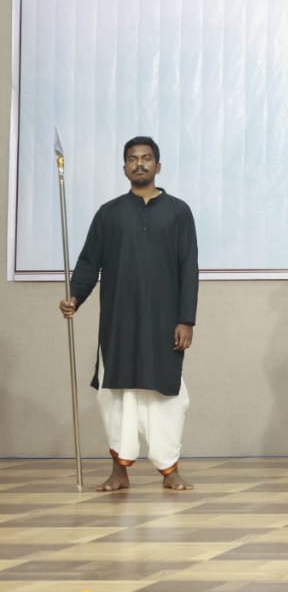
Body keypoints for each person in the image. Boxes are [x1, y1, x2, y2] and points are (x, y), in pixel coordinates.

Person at [57, 136, 198, 491]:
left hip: (164, 321)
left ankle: (170, 469)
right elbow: (89, 262)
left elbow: (189, 268)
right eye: (133, 159)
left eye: (146, 158)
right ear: (124, 168)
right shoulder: (109, 214)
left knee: (167, 396)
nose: (139, 164)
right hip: (119, 322)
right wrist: (75, 296)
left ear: (158, 166)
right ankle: (119, 471)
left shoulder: (178, 212)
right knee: (116, 396)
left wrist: (186, 319)